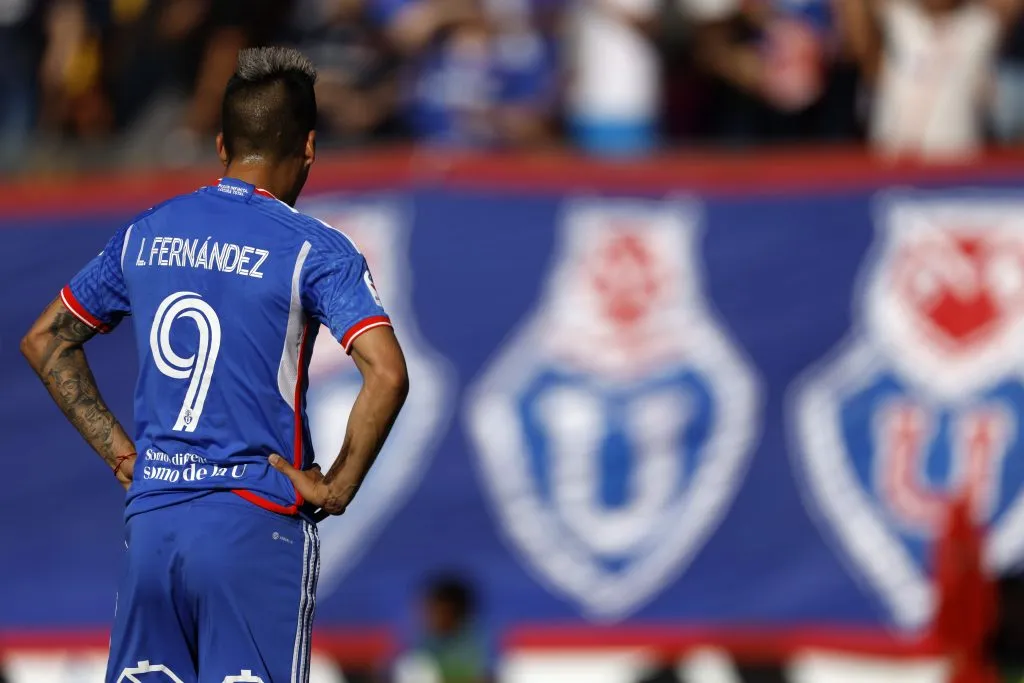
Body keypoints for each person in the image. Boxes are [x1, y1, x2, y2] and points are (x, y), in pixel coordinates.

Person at [19, 46, 409, 683]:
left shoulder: (149, 232)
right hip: (253, 524)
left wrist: (123, 456)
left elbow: (46, 340)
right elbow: (387, 373)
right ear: (309, 148)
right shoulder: (313, 250)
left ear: (222, 144)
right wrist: (337, 486)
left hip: (154, 525)